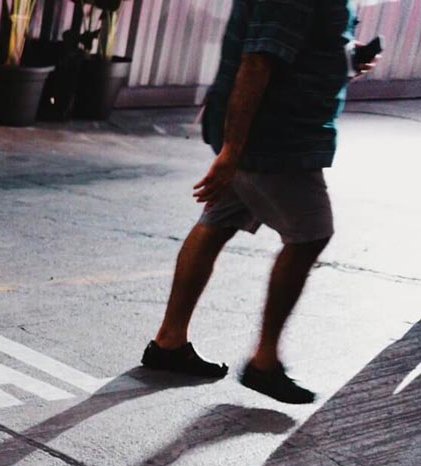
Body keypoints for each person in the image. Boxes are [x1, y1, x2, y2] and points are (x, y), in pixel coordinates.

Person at [143, 0, 371, 404]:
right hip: (276, 140)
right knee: (310, 235)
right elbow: (256, 62)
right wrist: (232, 151)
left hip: (267, 134)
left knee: (217, 220)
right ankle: (264, 361)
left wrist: (345, 60)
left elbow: (297, 48)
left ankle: (169, 342)